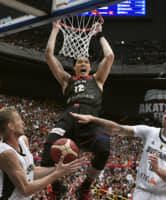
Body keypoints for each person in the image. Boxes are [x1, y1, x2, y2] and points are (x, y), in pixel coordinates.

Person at [41, 21, 114, 200]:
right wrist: (55, 29)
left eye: (86, 61)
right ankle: (57, 187)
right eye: (79, 61)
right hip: (68, 117)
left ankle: (85, 187)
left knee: (104, 149)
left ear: (89, 66)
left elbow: (110, 55)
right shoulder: (67, 80)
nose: (82, 63)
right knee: (46, 154)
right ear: (74, 67)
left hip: (90, 118)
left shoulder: (97, 79)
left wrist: (100, 35)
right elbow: (49, 55)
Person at [70, 106, 166, 200]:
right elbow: (118, 128)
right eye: (165, 113)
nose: (165, 116)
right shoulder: (150, 132)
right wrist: (93, 119)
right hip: (141, 192)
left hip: (163, 196)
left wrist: (158, 170)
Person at [0, 107, 83, 200]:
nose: (22, 123)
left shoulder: (23, 141)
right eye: (19, 119)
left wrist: (59, 169)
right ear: (11, 126)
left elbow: (31, 172)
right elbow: (26, 189)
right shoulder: (7, 153)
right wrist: (56, 174)